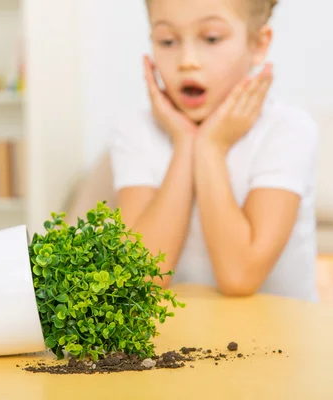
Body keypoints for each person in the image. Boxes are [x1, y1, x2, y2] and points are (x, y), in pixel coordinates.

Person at [109, 0, 319, 302]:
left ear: (258, 44)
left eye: (211, 39)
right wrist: (185, 143)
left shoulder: (288, 129)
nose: (187, 60)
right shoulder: (134, 130)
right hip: (181, 340)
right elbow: (142, 277)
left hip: (282, 336)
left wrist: (211, 146)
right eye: (167, 41)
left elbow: (239, 276)